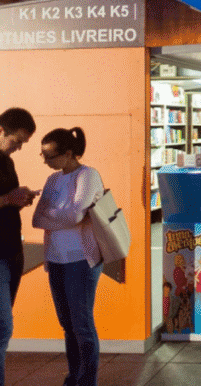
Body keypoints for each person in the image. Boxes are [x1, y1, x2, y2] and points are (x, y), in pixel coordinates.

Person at [32, 127, 104, 386]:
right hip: (56, 258)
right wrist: (61, 216)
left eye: (50, 156)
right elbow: (36, 219)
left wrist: (53, 215)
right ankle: (74, 377)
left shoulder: (88, 175)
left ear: (69, 153)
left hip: (81, 259)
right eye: (43, 155)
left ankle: (86, 381)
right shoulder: (52, 180)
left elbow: (76, 215)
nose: (45, 161)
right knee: (67, 324)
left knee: (82, 324)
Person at [0, 108, 36, 385]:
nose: (19, 148)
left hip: (12, 250)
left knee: (3, 327)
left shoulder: (7, 161)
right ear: (1, 130)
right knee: (2, 327)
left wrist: (20, 197)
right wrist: (9, 199)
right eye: (17, 141)